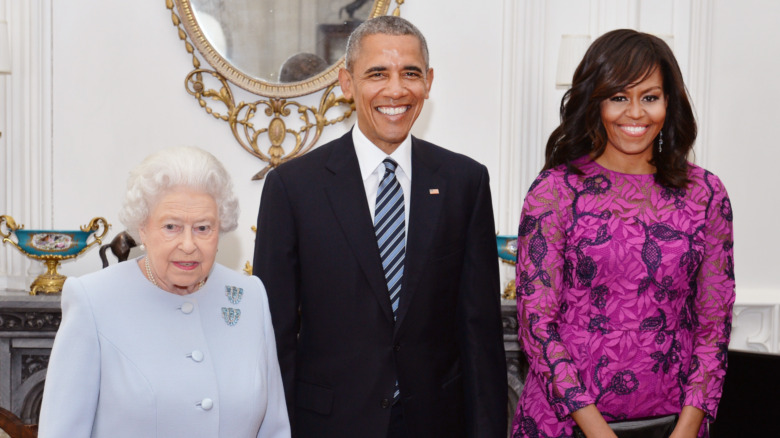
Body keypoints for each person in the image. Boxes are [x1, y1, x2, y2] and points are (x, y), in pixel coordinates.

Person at [253, 15, 507, 438]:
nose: (396, 90)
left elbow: (480, 332)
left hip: (437, 422)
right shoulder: (293, 187)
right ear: (347, 83)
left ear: (428, 81)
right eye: (377, 74)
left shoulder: (465, 182)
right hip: (327, 424)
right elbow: (274, 335)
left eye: (410, 73)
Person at [511, 29, 735, 438]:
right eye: (619, 97)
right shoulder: (555, 191)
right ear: (595, 104)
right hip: (564, 425)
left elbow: (713, 329)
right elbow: (536, 324)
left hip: (676, 425)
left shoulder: (705, 193)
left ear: (669, 102)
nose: (636, 113)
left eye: (649, 97)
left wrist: (686, 431)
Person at [38, 147, 290, 438]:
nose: (188, 244)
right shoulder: (92, 299)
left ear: (220, 230)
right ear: (142, 228)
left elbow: (274, 429)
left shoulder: (250, 296)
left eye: (203, 228)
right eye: (171, 226)